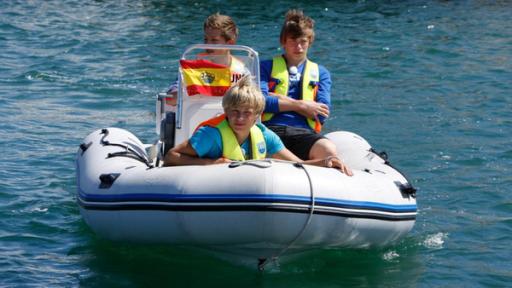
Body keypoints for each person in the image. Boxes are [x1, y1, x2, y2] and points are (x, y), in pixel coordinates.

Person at [163, 76, 348, 172]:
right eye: (234, 112)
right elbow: (171, 156)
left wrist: (325, 162)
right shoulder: (210, 135)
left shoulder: (264, 135)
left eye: (247, 113)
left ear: (257, 115)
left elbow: (298, 164)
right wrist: (211, 162)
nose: (240, 118)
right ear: (226, 111)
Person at [259, 9, 352, 176]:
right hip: (270, 129)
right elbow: (261, 102)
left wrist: (279, 99)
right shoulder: (265, 67)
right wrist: (301, 105)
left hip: (303, 132)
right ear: (283, 42)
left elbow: (321, 114)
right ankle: (303, 165)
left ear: (310, 41)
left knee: (328, 149)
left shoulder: (321, 73)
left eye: (303, 41)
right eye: (293, 41)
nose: (298, 47)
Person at [166, 13, 247, 105]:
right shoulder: (193, 68)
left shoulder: (242, 71)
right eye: (206, 39)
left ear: (230, 43)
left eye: (214, 40)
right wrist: (179, 92)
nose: (207, 45)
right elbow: (170, 99)